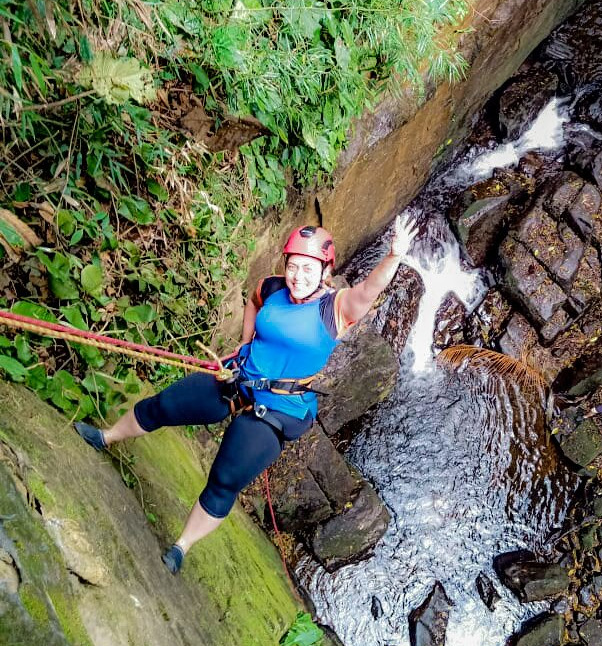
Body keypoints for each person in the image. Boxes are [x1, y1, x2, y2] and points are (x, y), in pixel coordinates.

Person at [74, 216, 418, 574]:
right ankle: (106, 437)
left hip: (280, 406)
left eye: (308, 268)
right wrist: (244, 342)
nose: (298, 276)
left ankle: (181, 546)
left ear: (325, 272)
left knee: (225, 479)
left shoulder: (335, 309)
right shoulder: (272, 289)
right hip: (239, 376)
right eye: (293, 266)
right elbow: (252, 302)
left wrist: (393, 256)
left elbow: (368, 290)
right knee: (165, 405)